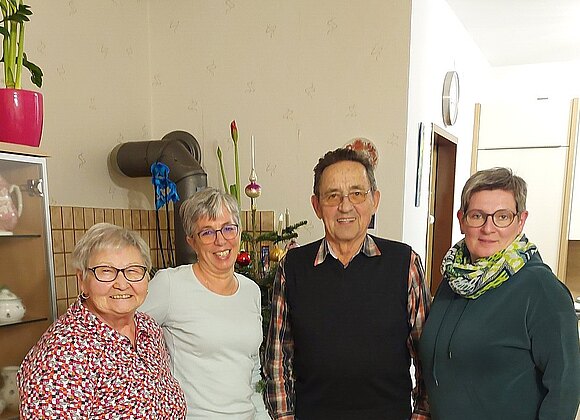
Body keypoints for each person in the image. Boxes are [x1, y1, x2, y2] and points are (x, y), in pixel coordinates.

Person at [264, 147, 431, 420]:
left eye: (357, 193)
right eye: (333, 196)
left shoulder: (405, 263)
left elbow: (426, 354)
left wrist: (422, 414)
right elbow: (277, 359)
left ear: (374, 200)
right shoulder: (292, 267)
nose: (345, 206)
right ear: (317, 206)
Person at [419, 167, 580, 420]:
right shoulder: (453, 279)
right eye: (477, 216)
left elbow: (565, 389)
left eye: (502, 217)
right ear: (461, 220)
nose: (488, 228)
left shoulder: (542, 290)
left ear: (521, 221)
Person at [17, 222, 186, 419]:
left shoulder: (148, 328)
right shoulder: (63, 352)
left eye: (133, 270)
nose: (122, 284)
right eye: (106, 271)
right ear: (82, 281)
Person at [140, 187, 268, 419]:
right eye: (207, 232)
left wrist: (262, 416)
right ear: (192, 241)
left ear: (239, 232)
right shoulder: (170, 285)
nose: (221, 240)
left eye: (228, 228)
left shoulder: (251, 291)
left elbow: (252, 369)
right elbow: (123, 335)